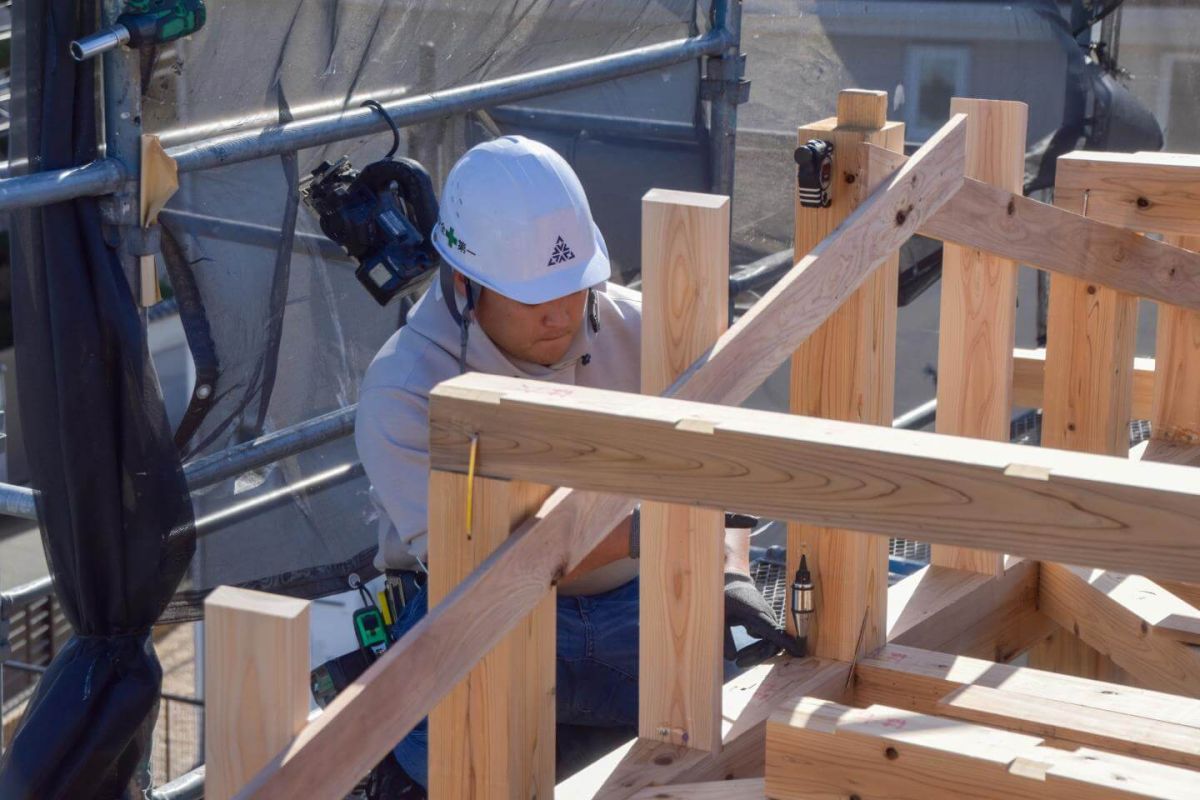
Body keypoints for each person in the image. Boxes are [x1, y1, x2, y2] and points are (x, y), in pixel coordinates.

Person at [354, 135, 797, 794]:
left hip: (640, 602)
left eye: (574, 285)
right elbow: (480, 558)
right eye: (533, 296)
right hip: (486, 615)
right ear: (463, 284)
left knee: (717, 761)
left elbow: (713, 470)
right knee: (464, 775)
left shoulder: (649, 332)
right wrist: (652, 525)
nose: (561, 312)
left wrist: (727, 571)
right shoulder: (407, 388)